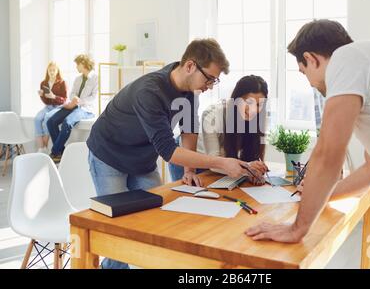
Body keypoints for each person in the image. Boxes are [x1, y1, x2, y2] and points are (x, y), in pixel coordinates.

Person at [245, 20, 370, 269]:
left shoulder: (347, 59)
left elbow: (328, 154)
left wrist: (296, 229)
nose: (309, 83)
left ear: (311, 59)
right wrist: (320, 195)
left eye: (303, 72)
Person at [86, 39, 250, 269]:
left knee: (158, 218)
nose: (211, 86)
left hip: (142, 159)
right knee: (119, 228)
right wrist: (222, 163)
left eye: (215, 80)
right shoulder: (149, 91)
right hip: (109, 155)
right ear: (191, 66)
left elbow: (189, 129)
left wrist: (190, 169)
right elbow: (169, 151)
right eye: (209, 79)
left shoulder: (190, 91)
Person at [169, 75, 269, 185]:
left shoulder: (259, 119)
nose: (253, 110)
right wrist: (248, 168)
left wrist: (255, 172)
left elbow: (254, 156)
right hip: (191, 158)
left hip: (221, 165)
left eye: (259, 104)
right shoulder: (212, 115)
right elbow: (214, 162)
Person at [47, 55, 97, 163]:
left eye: (77, 64)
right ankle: (61, 152)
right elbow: (72, 93)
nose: (76, 67)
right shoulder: (78, 78)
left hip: (86, 109)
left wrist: (79, 101)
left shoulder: (96, 78)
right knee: (51, 121)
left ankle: (55, 152)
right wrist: (73, 98)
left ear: (83, 64)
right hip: (73, 105)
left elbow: (94, 97)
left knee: (67, 122)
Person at [34, 62, 67, 153]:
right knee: (37, 119)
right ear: (47, 71)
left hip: (58, 107)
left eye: (53, 70)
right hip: (48, 106)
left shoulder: (62, 82)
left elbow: (64, 100)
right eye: (50, 70)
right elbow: (46, 101)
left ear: (57, 71)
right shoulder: (44, 83)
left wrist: (54, 97)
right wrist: (42, 96)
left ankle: (42, 147)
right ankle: (42, 147)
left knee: (46, 121)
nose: (52, 72)